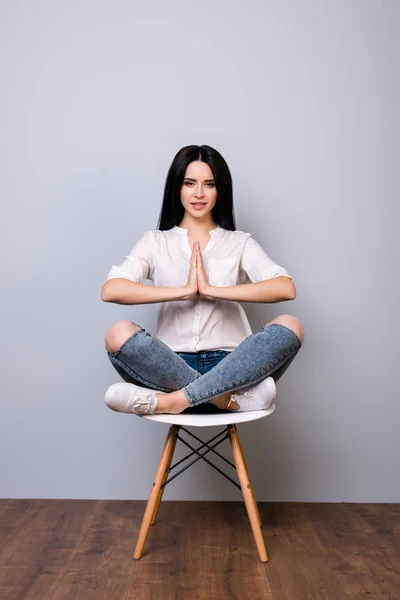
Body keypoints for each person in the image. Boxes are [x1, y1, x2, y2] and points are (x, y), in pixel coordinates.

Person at [101, 145, 304, 416]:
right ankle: (224, 400)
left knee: (290, 325)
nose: (199, 194)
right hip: (171, 366)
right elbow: (111, 290)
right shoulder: (156, 242)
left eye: (209, 184)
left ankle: (173, 401)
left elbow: (285, 287)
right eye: (189, 183)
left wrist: (212, 290)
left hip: (233, 365)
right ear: (177, 188)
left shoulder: (239, 242)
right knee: (118, 332)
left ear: (220, 190)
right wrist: (183, 292)